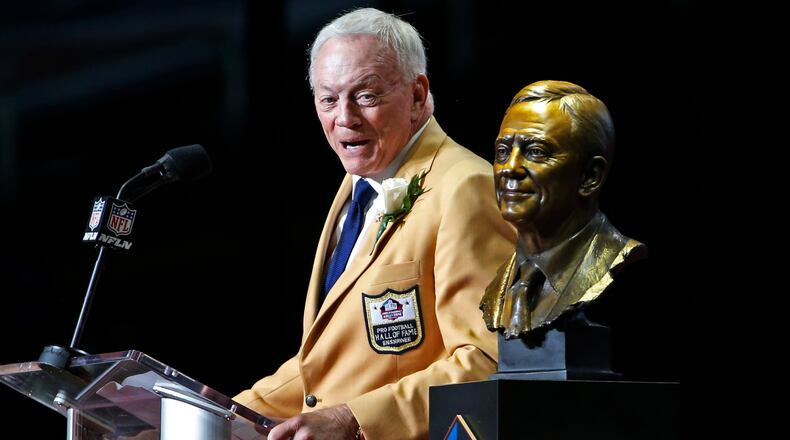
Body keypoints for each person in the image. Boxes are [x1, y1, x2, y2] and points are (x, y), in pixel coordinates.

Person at [234, 8, 515, 440]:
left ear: (418, 96)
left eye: (365, 96)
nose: (344, 118)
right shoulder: (357, 186)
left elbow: (487, 360)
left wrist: (353, 420)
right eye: (328, 99)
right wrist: (217, 415)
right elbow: (326, 369)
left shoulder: (464, 187)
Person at [480, 80, 647, 339]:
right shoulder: (500, 287)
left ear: (590, 176)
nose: (509, 168)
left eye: (535, 151)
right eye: (502, 152)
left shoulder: (618, 265)